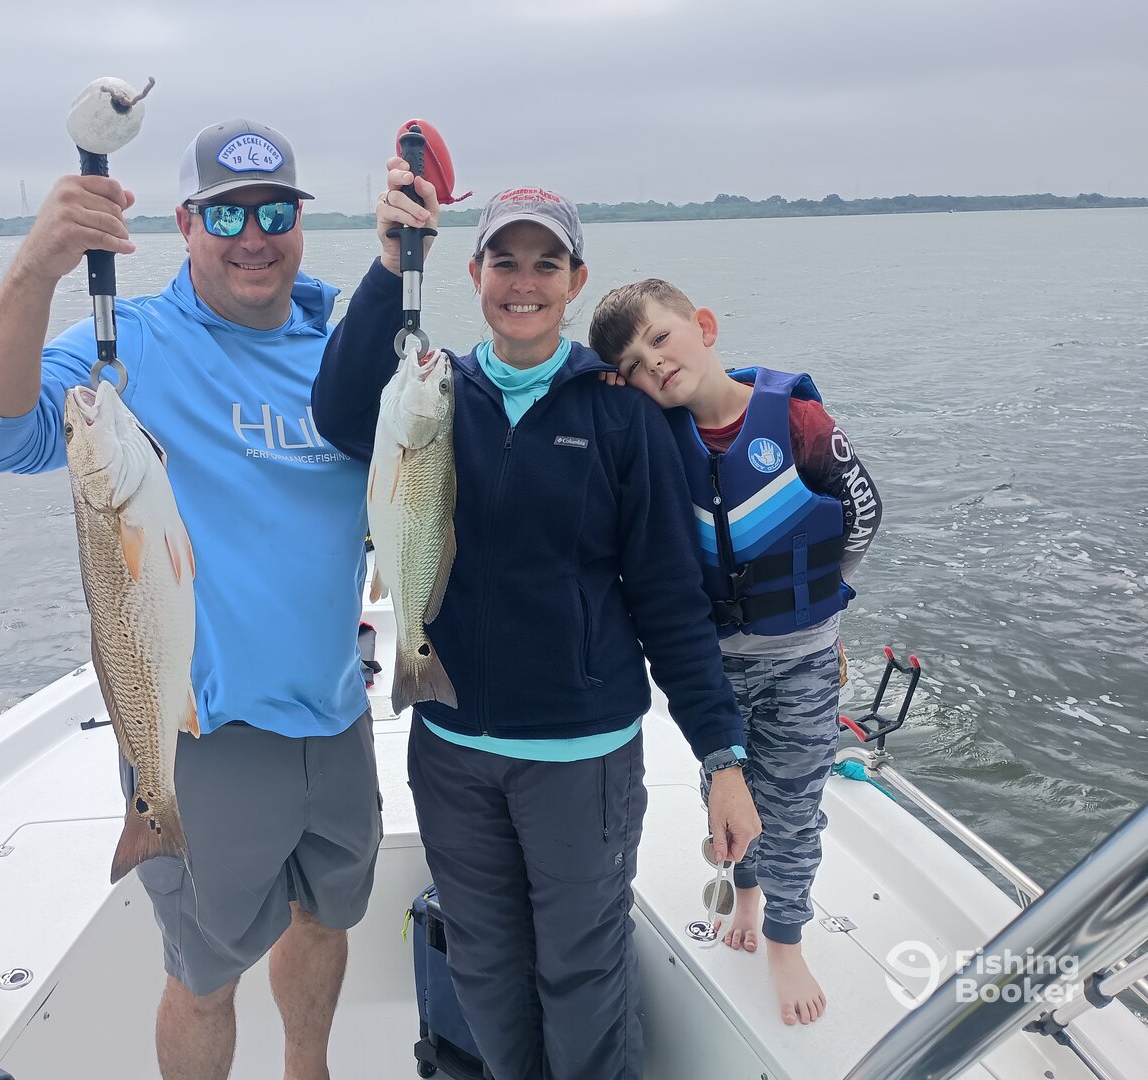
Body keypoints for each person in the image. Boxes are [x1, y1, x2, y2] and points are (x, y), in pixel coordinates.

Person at [0, 119, 380, 1080]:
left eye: (274, 212)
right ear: (183, 224)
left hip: (339, 714)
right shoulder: (128, 348)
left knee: (325, 918)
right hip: (202, 740)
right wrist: (36, 270)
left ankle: (307, 1069)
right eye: (224, 215)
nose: (252, 236)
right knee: (204, 975)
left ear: (301, 224)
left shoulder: (342, 352)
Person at [312, 163, 761, 1079]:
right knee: (482, 963)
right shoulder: (433, 393)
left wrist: (721, 757)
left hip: (580, 756)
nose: (524, 283)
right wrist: (392, 261)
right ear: (474, 273)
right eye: (504, 262)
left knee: (581, 971)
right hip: (451, 745)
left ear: (575, 281)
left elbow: (670, 600)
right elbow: (338, 411)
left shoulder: (621, 414)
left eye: (546, 264)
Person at [589, 279, 883, 1026]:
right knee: (725, 790)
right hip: (714, 665)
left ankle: (786, 935)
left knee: (793, 804)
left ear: (704, 326)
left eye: (660, 338)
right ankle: (744, 890)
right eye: (632, 365)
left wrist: (824, 597)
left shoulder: (799, 421)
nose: (653, 364)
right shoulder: (656, 437)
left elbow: (864, 511)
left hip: (803, 660)